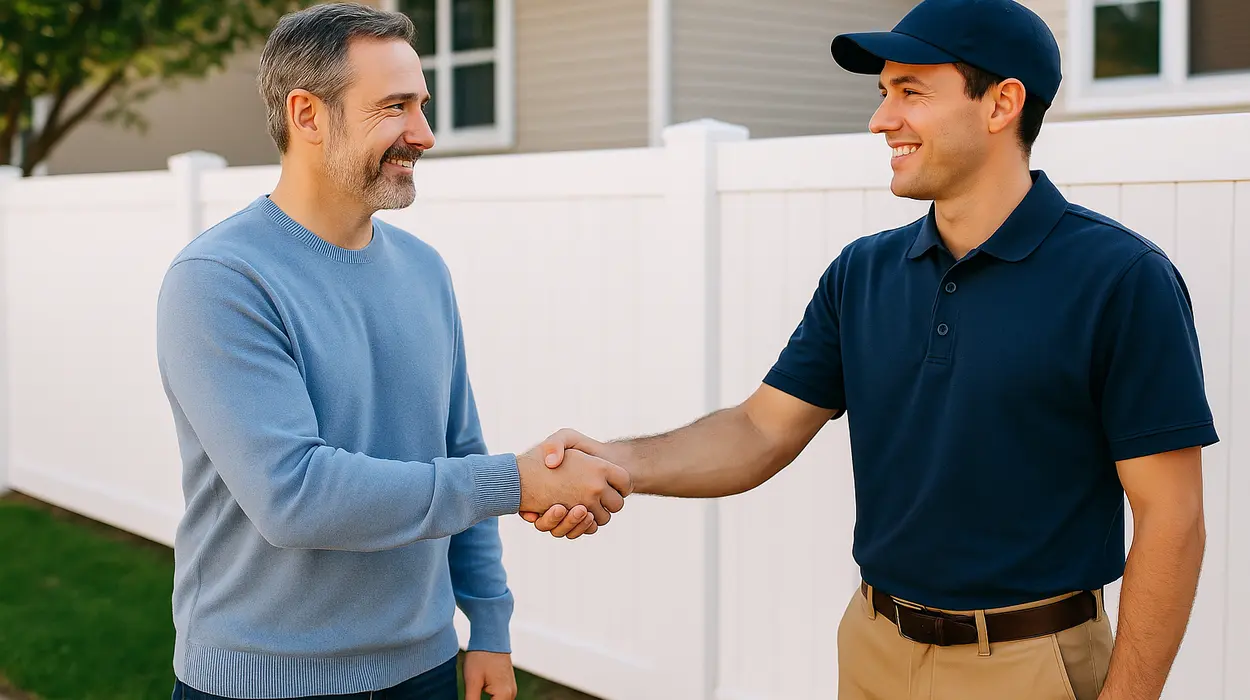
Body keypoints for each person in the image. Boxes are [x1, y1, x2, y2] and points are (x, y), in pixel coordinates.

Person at [525, 1, 1216, 697]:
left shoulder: (1121, 279)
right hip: (872, 647)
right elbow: (760, 428)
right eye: (883, 93)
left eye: (911, 92)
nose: (882, 120)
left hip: (1029, 663)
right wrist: (618, 462)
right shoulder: (862, 273)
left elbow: (1172, 517)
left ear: (1002, 102)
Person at [155, 4, 630, 699]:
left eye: (423, 105)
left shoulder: (424, 270)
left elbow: (459, 451)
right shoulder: (222, 282)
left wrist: (489, 625)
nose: (425, 134)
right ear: (308, 115)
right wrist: (520, 482)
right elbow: (296, 497)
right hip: (262, 682)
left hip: (425, 669)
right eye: (395, 107)